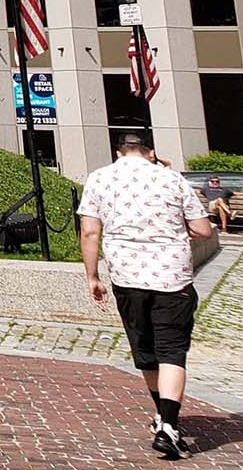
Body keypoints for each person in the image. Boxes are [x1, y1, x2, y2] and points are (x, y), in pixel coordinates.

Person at [78, 132, 216, 461]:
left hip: (128, 276)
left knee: (146, 349)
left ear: (118, 152)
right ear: (150, 152)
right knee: (171, 351)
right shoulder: (172, 179)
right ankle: (168, 424)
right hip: (172, 277)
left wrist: (93, 276)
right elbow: (203, 230)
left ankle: (164, 418)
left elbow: (89, 230)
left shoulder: (99, 178)